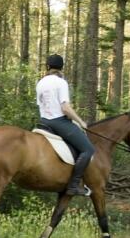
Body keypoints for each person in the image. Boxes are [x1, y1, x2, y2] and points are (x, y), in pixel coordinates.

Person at [36, 54, 95, 196]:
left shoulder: (40, 83)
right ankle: (73, 185)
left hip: (43, 122)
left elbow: (41, 105)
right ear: (61, 68)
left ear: (48, 67)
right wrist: (81, 122)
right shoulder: (61, 82)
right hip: (59, 122)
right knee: (88, 150)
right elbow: (65, 108)